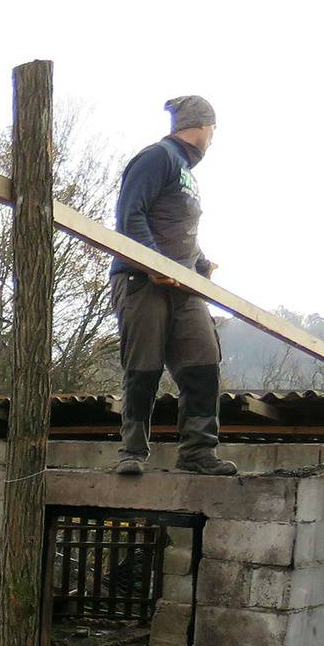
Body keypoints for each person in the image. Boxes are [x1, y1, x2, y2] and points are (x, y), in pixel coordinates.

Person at [111, 94, 236, 477]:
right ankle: (132, 451)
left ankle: (198, 450)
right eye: (212, 130)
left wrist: (198, 262)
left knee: (203, 360)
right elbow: (130, 215)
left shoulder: (187, 174)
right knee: (144, 364)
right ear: (202, 126)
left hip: (184, 285)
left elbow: (176, 227)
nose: (213, 138)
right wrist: (153, 263)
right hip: (142, 279)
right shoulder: (158, 157)